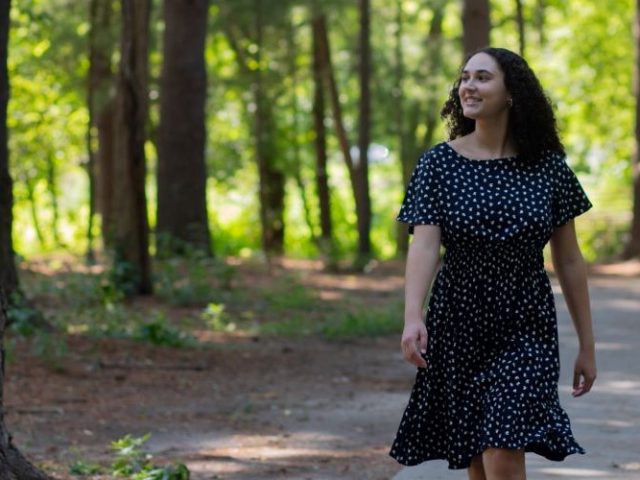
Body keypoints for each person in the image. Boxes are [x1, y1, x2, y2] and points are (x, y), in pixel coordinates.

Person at [388, 47, 597, 480]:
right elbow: (425, 245)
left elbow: (570, 259)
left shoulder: (548, 168)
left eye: (482, 78)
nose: (468, 86)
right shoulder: (438, 163)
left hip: (526, 321)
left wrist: (587, 344)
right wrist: (412, 316)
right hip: (458, 320)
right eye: (464, 77)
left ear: (512, 93)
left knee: (502, 445)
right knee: (478, 456)